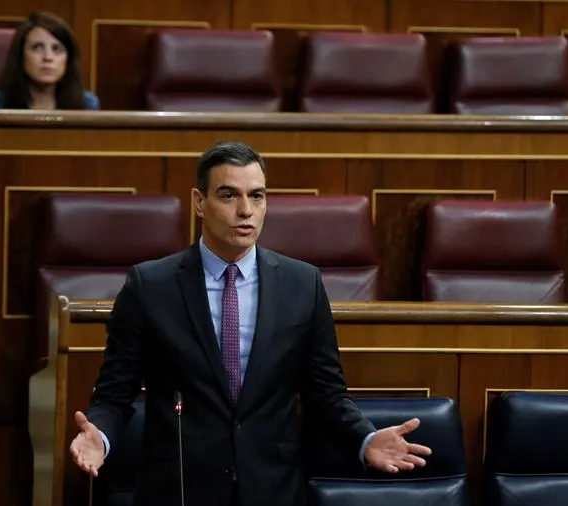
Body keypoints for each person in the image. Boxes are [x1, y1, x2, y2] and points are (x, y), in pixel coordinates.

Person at [68, 141, 432, 506]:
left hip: (272, 488)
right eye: (228, 196)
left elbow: (326, 394)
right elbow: (115, 392)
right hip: (179, 489)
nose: (246, 211)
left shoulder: (302, 284)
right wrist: (100, 436)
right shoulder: (151, 286)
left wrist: (365, 439)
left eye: (256, 196)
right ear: (199, 201)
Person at [0, 12, 100, 110]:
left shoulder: (87, 105)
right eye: (37, 48)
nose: (47, 57)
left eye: (57, 49)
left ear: (68, 60)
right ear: (21, 55)